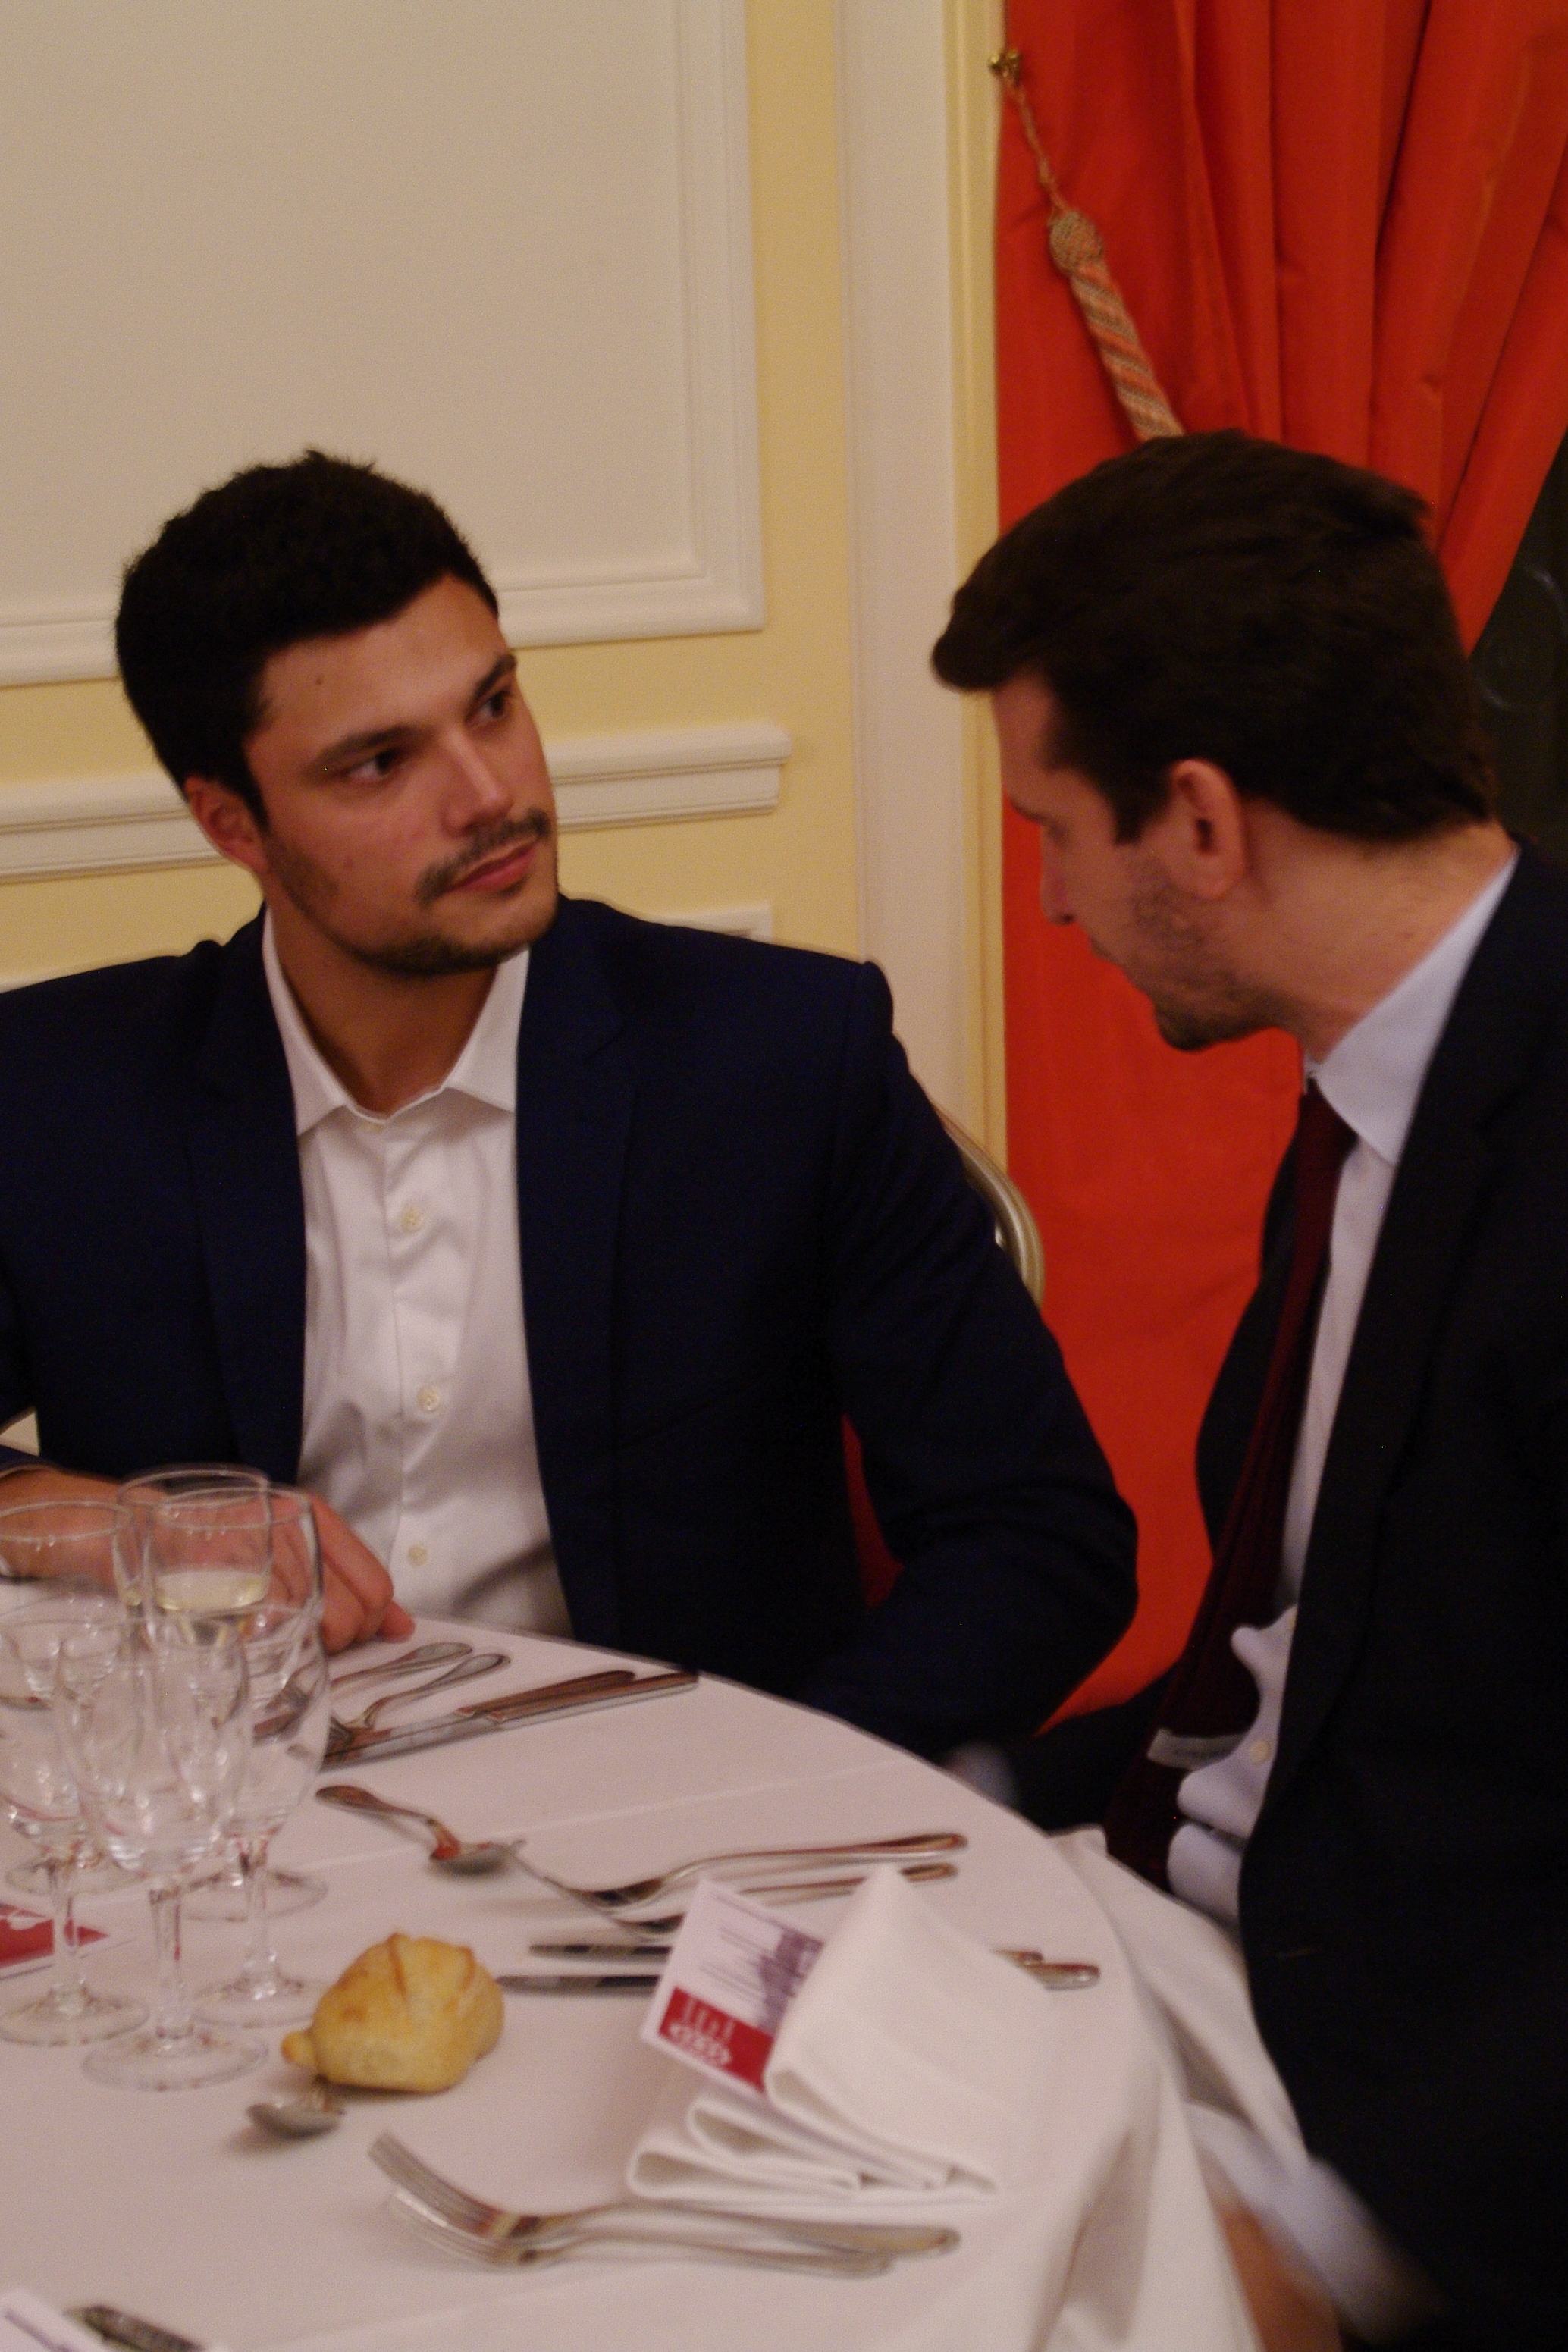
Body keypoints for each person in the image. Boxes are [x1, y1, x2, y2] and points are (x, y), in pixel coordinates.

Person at [0, 451, 1135, 1759]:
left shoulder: (779, 1061)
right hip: (230, 1818)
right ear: (232, 824)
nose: (490, 794)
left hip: (674, 1824)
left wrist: (758, 1777)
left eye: (492, 705)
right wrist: (109, 1525)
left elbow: (1039, 1536)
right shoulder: (59, 1098)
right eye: (378, 763)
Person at [932, 430, 1563, 2350]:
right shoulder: (1376, 1092)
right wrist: (934, 1804)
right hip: (1172, 1945)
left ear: (1199, 825)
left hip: (1396, 2117)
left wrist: (1340, 2245)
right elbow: (1291, 1669)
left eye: (1053, 830)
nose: (1051, 905)